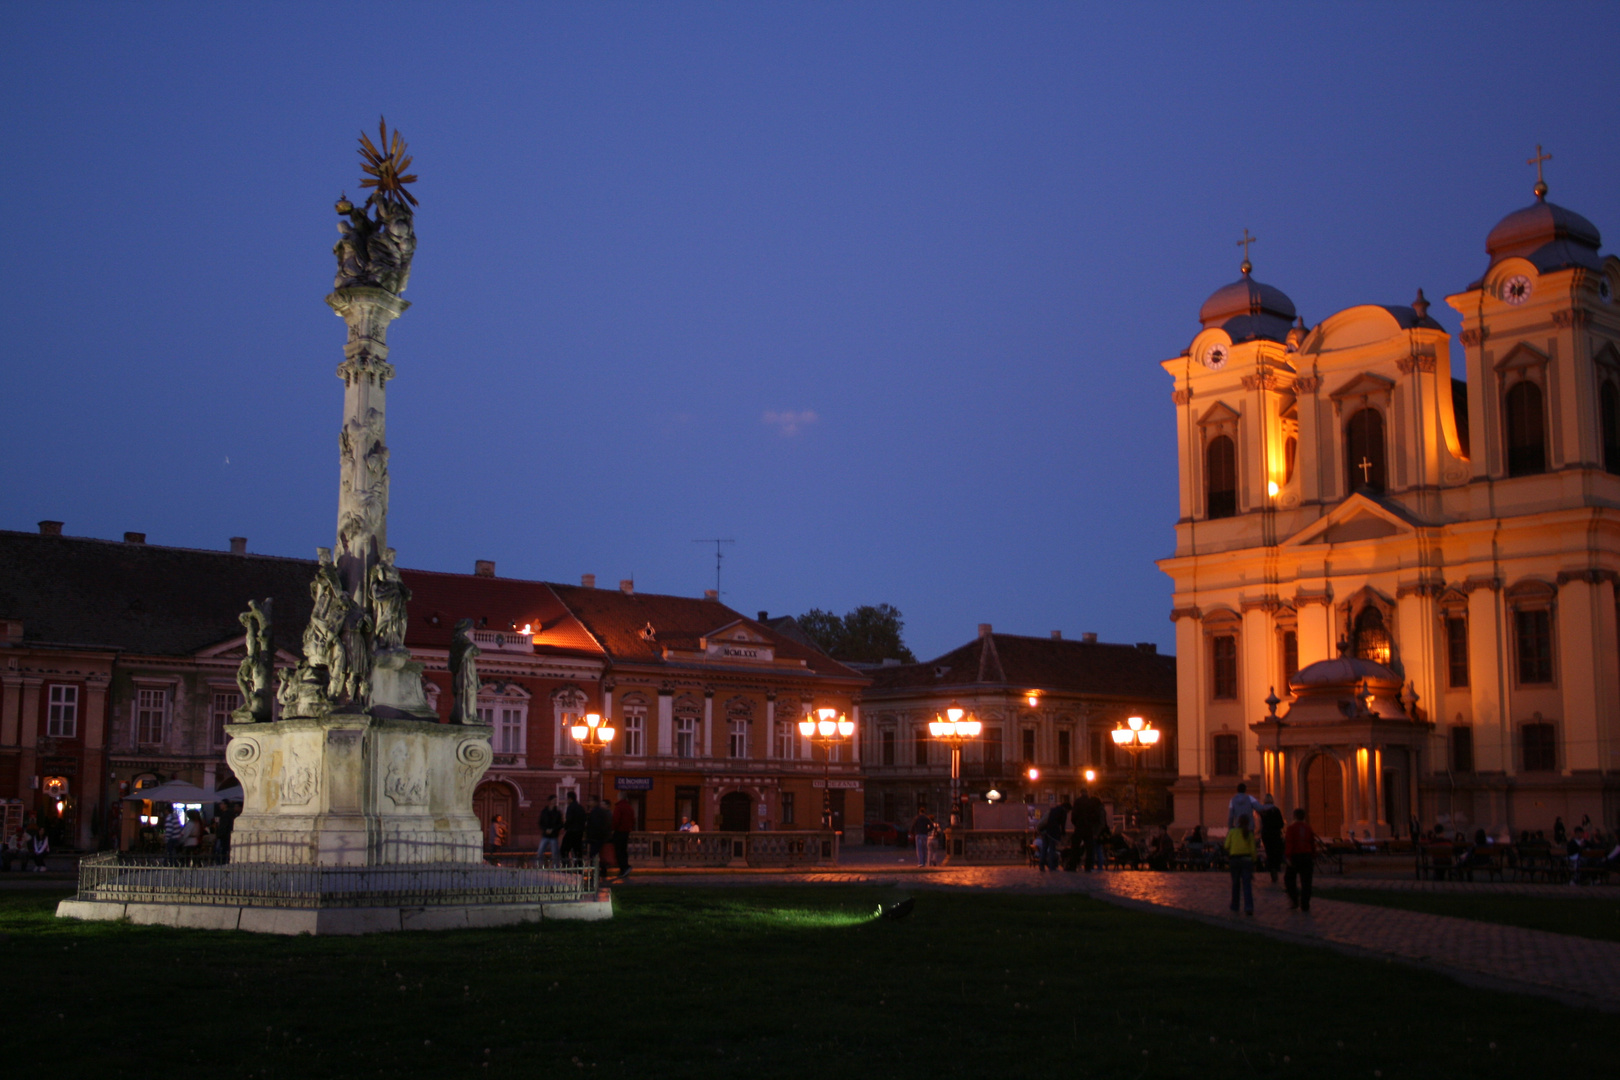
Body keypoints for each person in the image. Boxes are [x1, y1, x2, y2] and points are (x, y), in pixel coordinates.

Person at [1283, 808, 1317, 912]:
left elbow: (1290, 843)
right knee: (1306, 882)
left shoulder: (1291, 828)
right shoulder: (1308, 828)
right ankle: (1305, 904)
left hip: (1295, 856)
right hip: (1307, 856)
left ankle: (1295, 899)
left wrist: (1288, 857)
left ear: (1294, 816)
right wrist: (1313, 856)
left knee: (1289, 879)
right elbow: (1312, 843)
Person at [1225, 813, 1257, 915]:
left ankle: (1235, 906)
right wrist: (1254, 861)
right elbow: (1253, 850)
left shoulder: (1233, 832)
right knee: (1247, 884)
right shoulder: (1250, 834)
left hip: (1235, 860)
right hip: (1247, 860)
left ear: (1238, 822)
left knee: (1235, 884)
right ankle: (1248, 906)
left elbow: (1226, 846)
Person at [1073, 787, 1105, 872]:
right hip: (1088, 827)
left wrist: (1076, 824)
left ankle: (1073, 865)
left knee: (1075, 847)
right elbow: (1095, 815)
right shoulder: (1091, 802)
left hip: (1079, 826)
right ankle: (1088, 866)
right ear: (1087, 793)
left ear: (1080, 793)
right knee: (1089, 848)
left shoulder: (1077, 801)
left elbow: (1073, 815)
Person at [1258, 794, 1286, 883]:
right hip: (1275, 834)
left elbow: (1260, 823)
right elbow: (1281, 823)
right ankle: (1275, 868)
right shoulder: (1276, 810)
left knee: (1269, 852)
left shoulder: (1262, 811)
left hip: (1266, 834)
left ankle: (1271, 870)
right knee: (1276, 852)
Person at [611, 790, 636, 880]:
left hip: (619, 831)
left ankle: (623, 868)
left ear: (620, 797)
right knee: (623, 850)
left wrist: (612, 828)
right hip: (626, 832)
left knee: (619, 851)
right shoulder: (630, 807)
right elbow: (633, 820)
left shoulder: (619, 807)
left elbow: (616, 820)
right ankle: (625, 867)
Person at [585, 794, 613, 875]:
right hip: (598, 837)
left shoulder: (596, 812)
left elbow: (596, 825)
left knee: (594, 856)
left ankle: (596, 871)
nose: (588, 802)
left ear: (595, 802)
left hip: (596, 838)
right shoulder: (598, 811)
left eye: (590, 800)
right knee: (596, 855)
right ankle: (601, 870)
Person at [559, 790, 587, 865]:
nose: (566, 801)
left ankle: (566, 866)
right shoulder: (580, 807)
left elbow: (569, 820)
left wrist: (564, 827)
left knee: (564, 849)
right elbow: (584, 819)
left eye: (567, 799)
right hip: (579, 832)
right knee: (577, 850)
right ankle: (579, 867)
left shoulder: (571, 807)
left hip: (571, 832)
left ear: (570, 799)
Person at [536, 796, 563, 867]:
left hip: (554, 835)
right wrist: (545, 829)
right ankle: (539, 866)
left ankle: (555, 867)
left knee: (555, 853)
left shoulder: (557, 812)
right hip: (545, 835)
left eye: (555, 800)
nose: (555, 802)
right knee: (540, 852)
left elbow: (560, 824)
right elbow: (540, 823)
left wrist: (553, 830)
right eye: (554, 800)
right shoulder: (544, 811)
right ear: (550, 801)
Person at [910, 804, 937, 869]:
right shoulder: (926, 818)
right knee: (924, 849)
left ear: (919, 812)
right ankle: (924, 862)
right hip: (924, 835)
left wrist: (913, 832)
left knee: (919, 849)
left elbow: (913, 826)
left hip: (918, 834)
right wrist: (927, 830)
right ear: (924, 812)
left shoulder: (917, 818)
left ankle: (920, 862)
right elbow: (932, 826)